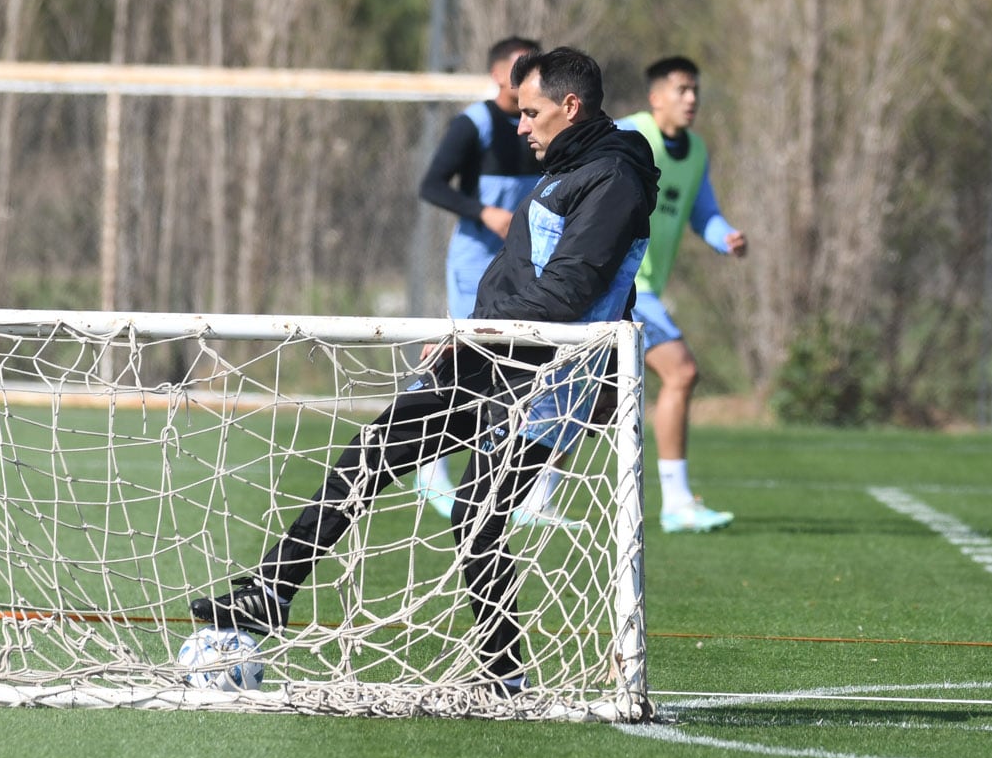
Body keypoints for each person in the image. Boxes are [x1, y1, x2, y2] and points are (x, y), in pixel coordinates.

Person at [191, 47, 659, 695]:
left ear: (570, 106)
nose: (521, 127)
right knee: (370, 453)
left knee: (474, 517)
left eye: (532, 113)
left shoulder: (613, 178)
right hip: (488, 359)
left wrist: (474, 332)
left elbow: (571, 293)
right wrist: (467, 338)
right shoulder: (573, 169)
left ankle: (504, 675)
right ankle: (268, 593)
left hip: (547, 380)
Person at [412, 35, 546, 522]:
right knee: (460, 352)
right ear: (495, 74)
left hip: (526, 263)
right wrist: (484, 212)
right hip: (476, 260)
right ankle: (427, 463)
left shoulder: (548, 125)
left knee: (532, 364)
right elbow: (430, 185)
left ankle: (530, 492)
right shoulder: (474, 123)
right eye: (517, 67)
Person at [618, 55, 747, 533]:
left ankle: (534, 491)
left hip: (641, 288)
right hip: (620, 283)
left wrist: (725, 236)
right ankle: (675, 502)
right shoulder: (626, 136)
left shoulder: (694, 151)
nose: (691, 99)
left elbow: (703, 211)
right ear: (655, 97)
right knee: (682, 370)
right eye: (681, 89)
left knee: (590, 395)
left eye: (695, 90)